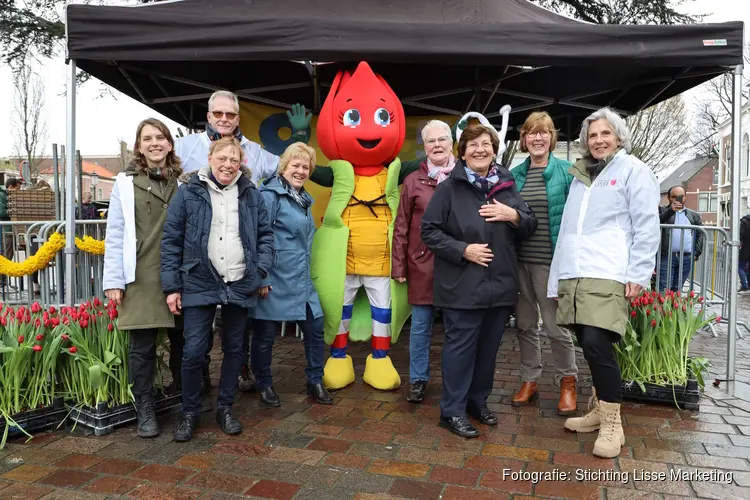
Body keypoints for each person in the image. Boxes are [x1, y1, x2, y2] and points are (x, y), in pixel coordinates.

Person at [175, 91, 310, 392]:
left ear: (238, 118)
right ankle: (197, 387)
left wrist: (300, 135)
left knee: (236, 329)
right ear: (208, 116)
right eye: (218, 114)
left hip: (236, 252)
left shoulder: (255, 152)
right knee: (196, 335)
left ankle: (235, 378)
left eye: (230, 115)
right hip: (198, 256)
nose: (224, 119)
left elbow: (289, 167)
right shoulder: (184, 147)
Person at [548, 107, 660, 459]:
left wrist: (639, 273)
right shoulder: (581, 176)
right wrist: (557, 278)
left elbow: (646, 223)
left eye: (605, 134)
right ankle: (599, 411)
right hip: (575, 271)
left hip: (608, 270)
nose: (598, 140)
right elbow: (567, 231)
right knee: (586, 342)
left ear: (618, 137)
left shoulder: (633, 171)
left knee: (598, 342)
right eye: (592, 135)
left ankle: (614, 423)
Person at [421, 123, 536, 439]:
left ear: (494, 149)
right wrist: (463, 250)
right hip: (462, 286)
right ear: (463, 151)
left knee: (487, 351)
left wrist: (513, 216)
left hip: (499, 286)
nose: (479, 150)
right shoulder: (449, 188)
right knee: (460, 351)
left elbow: (530, 223)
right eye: (472, 145)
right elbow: (429, 231)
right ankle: (452, 411)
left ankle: (476, 402)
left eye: (485, 144)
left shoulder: (507, 187)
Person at [161, 136, 274, 442]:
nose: (228, 164)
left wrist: (260, 270)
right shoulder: (188, 192)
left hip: (240, 280)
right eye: (222, 158)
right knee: (194, 350)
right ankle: (189, 411)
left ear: (242, 163)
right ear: (210, 158)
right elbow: (171, 239)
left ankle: (225, 408)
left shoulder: (251, 193)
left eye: (234, 160)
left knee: (235, 348)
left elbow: (265, 236)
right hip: (199, 279)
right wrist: (172, 286)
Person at [103, 118, 186, 438]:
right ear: (139, 146)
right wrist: (113, 279)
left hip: (179, 274)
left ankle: (184, 400)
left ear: (169, 143)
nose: (155, 143)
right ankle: (146, 408)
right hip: (140, 274)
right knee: (142, 347)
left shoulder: (184, 181)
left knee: (185, 341)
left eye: (161, 137)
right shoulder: (125, 182)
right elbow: (115, 232)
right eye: (147, 138)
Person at [251, 143, 333, 407]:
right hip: (274, 278)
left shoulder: (304, 199)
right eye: (295, 165)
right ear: (283, 167)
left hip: (301, 278)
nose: (300, 171)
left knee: (315, 328)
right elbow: (257, 237)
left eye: (305, 166)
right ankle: (263, 383)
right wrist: (262, 278)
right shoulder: (269, 195)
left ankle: (315, 381)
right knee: (264, 336)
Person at [509, 111, 578, 416]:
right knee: (524, 324)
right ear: (524, 139)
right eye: (531, 133)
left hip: (550, 265)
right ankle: (530, 380)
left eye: (544, 132)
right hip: (519, 262)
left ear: (552, 137)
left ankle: (568, 382)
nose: (537, 138)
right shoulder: (514, 175)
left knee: (555, 327)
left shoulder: (567, 171)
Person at [392, 120, 455, 404]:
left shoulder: (464, 176)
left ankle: (455, 380)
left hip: (457, 264)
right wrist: (399, 265)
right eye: (431, 141)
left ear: (452, 143)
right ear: (425, 146)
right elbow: (401, 225)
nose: (437, 145)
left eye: (442, 139)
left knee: (456, 329)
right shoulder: (412, 180)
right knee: (420, 328)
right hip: (422, 265)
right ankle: (418, 379)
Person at [658, 186, 703, 293]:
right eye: (674, 197)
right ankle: (662, 309)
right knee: (663, 289)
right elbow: (656, 223)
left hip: (686, 258)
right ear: (668, 198)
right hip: (666, 256)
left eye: (681, 196)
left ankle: (673, 310)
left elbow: (700, 234)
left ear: (685, 197)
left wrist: (696, 253)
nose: (677, 199)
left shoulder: (693, 215)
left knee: (677, 289)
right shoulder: (662, 210)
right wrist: (670, 211)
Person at [740, 213, 750, 293]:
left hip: (745, 248)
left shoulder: (744, 221)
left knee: (740, 267)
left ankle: (745, 286)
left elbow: (741, 235)